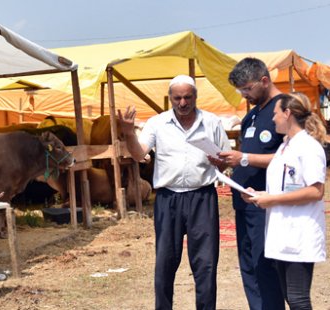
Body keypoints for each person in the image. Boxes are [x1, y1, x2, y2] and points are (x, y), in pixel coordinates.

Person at [117, 75, 231, 309]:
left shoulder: (211, 122)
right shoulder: (157, 123)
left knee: (206, 263)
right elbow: (139, 154)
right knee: (165, 262)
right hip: (168, 199)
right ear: (170, 98)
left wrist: (218, 161)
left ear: (195, 97)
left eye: (187, 97)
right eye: (177, 98)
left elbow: (225, 160)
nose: (182, 102)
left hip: (202, 197)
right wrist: (129, 134)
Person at [243, 92, 326, 309]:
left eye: (275, 113)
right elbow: (281, 187)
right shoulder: (284, 146)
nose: (272, 119)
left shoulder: (308, 147)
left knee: (298, 298)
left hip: (299, 232)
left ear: (287, 113)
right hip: (282, 231)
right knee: (289, 296)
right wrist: (259, 194)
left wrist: (273, 199)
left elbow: (316, 191)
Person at [218, 57, 285, 309]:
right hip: (243, 202)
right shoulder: (251, 115)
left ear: (264, 80)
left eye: (247, 88)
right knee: (248, 265)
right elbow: (247, 155)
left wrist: (244, 158)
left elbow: (289, 158)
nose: (245, 95)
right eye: (241, 90)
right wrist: (226, 161)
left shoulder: (285, 108)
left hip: (267, 202)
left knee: (265, 264)